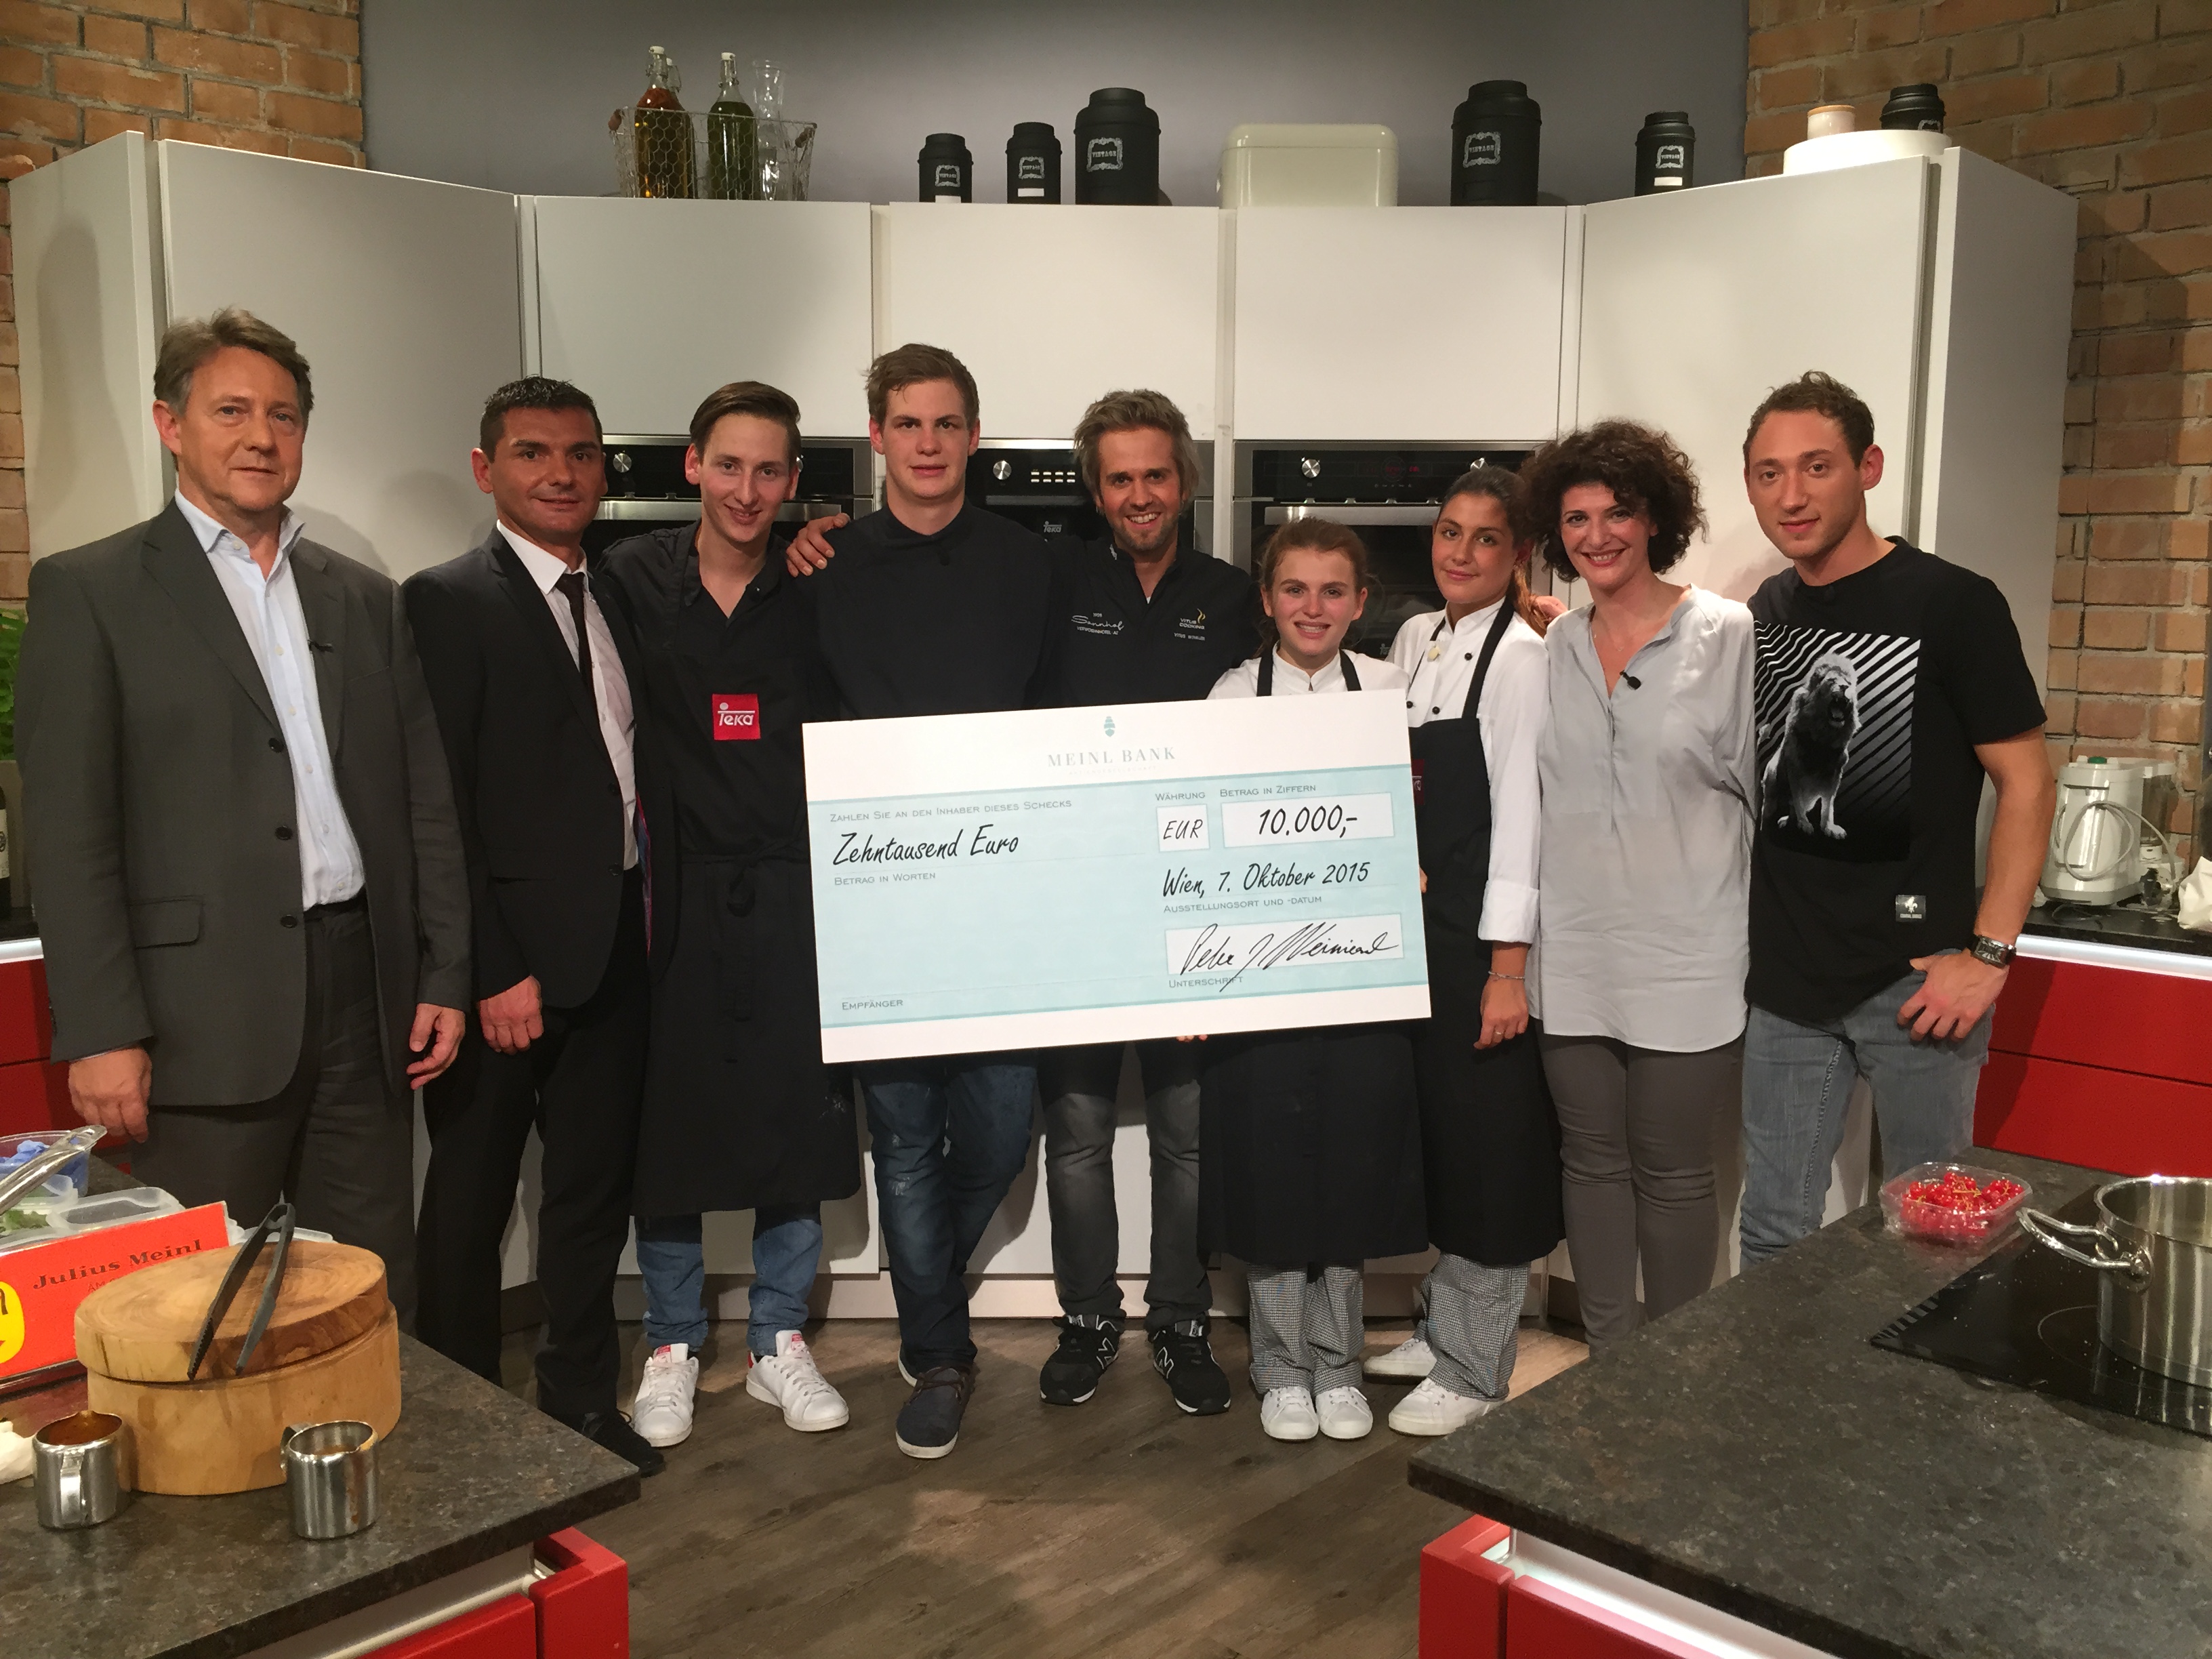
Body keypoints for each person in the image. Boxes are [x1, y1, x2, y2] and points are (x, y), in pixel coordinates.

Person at [17, 309, 468, 1319]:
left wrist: (443, 970)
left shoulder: (364, 597)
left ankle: (366, 1428)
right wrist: (101, 1030)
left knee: (368, 1287)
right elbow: (71, 836)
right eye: (231, 411)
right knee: (207, 1307)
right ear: (169, 425)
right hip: (196, 1018)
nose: (262, 436)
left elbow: (422, 799)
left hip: (363, 999)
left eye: (283, 416)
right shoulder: (90, 591)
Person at [1736, 373, 2054, 1266]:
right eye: (1768, 473)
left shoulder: (1954, 603)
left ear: (1868, 467)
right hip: (1788, 980)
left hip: (1918, 983)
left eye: (1817, 467)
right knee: (1772, 1233)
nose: (1791, 495)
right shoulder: (1765, 612)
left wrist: (1989, 957)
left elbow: (2028, 784)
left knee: (1938, 1238)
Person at [403, 377, 660, 1475]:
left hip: (612, 956)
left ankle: (581, 1407)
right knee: (467, 1208)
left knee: (589, 1203)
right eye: (532, 453)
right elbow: (440, 802)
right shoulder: (445, 600)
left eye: (580, 454)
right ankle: (461, 1430)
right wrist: (491, 968)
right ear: (486, 469)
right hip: (504, 973)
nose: (561, 474)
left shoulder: (619, 592)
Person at [596, 382, 860, 1449]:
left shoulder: (819, 583)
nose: (748, 491)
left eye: (769, 471)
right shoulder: (629, 578)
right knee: (672, 1123)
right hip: (675, 890)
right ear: (693, 467)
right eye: (730, 466)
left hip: (795, 887)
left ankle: (777, 1338)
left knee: (794, 1116)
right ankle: (671, 1341)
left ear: (793, 481)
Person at [810, 343, 1057, 1459]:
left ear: (973, 436)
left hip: (1004, 899)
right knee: (905, 1142)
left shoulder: (1029, 564)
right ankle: (941, 1351)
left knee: (1001, 1131)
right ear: (877, 436)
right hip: (879, 901)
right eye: (907, 424)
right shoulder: (826, 564)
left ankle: (928, 1297)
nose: (927, 443)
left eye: (947, 424)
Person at [1032, 391, 1252, 1416]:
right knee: (1077, 1136)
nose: (1139, 495)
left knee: (1186, 1134)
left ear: (1185, 480)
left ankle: (1179, 1318)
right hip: (1075, 904)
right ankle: (1086, 1318)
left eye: (1155, 474)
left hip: (1191, 907)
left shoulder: (1235, 595)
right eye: (1118, 478)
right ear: (1096, 490)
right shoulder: (1053, 582)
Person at [1517, 422, 1757, 1355]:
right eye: (1576, 519)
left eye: (1617, 513)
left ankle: (1674, 1375)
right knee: (1590, 1163)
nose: (1597, 535)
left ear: (1655, 518)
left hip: (1691, 953)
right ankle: (1609, 1368)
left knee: (1674, 1171)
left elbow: (1762, 795)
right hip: (1575, 950)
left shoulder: (1726, 634)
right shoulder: (1557, 645)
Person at [1202, 518, 1424, 1443]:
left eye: (1334, 591)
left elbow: (1414, 814)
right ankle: (1281, 1366)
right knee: (1271, 1167)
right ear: (1267, 599)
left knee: (1349, 1161)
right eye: (1295, 589)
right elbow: (1202, 837)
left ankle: (1338, 1365)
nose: (1313, 607)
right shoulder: (1229, 695)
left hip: (1362, 967)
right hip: (1261, 972)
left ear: (1361, 603)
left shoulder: (1389, 690)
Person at [1371, 467, 1561, 1433]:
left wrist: (1507, 970)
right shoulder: (1414, 639)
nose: (1462, 552)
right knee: (1439, 1133)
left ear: (1518, 553)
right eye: (1451, 531)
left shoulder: (1524, 658)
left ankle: (1478, 1366)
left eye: (1488, 538)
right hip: (1417, 930)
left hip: (1482, 936)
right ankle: (1442, 1324)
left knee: (1491, 1147)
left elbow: (1522, 815)